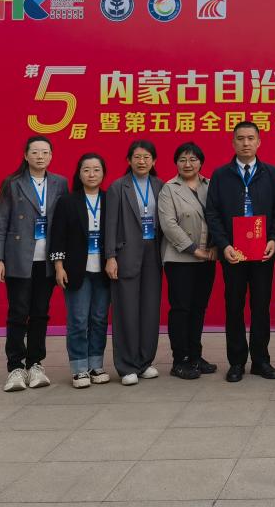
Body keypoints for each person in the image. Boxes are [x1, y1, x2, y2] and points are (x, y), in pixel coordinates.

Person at [205, 121, 275, 382]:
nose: (246, 143)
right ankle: (237, 362)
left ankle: (261, 361)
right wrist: (224, 244)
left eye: (251, 138)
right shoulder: (221, 175)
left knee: (261, 307)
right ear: (233, 142)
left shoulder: (271, 174)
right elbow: (212, 213)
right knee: (234, 307)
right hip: (233, 254)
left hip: (263, 253)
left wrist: (274, 239)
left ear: (259, 142)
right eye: (240, 138)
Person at [0, 135, 68, 392]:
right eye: (35, 152)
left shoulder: (60, 183)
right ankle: (15, 367)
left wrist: (62, 259)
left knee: (40, 313)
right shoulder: (12, 183)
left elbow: (64, 222)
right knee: (18, 312)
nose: (40, 156)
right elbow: (0, 222)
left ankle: (35, 364)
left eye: (45, 152)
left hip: (47, 259)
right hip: (18, 257)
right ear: (25, 155)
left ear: (51, 156)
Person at [104, 140, 164, 386]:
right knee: (126, 310)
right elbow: (110, 224)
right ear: (128, 160)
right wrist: (110, 257)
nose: (142, 161)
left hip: (154, 254)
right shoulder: (118, 187)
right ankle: (127, 365)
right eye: (137, 157)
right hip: (126, 254)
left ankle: (144, 362)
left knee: (150, 309)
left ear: (154, 161)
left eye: (147, 157)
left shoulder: (160, 185)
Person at [49, 152, 111, 388]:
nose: (91, 174)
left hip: (103, 270)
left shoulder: (110, 199)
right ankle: (79, 369)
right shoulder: (67, 201)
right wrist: (58, 266)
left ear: (103, 173)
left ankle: (96, 365)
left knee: (99, 319)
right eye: (86, 170)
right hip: (76, 270)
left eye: (96, 169)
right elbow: (58, 237)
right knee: (78, 320)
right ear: (79, 173)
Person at [158, 142, 218, 381]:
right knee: (181, 309)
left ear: (201, 162)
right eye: (182, 159)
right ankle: (180, 360)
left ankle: (195, 355)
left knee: (198, 308)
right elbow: (169, 225)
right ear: (176, 163)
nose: (188, 164)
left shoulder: (211, 185)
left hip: (209, 256)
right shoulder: (169, 189)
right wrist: (195, 250)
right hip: (180, 258)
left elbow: (219, 216)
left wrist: (215, 246)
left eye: (193, 159)